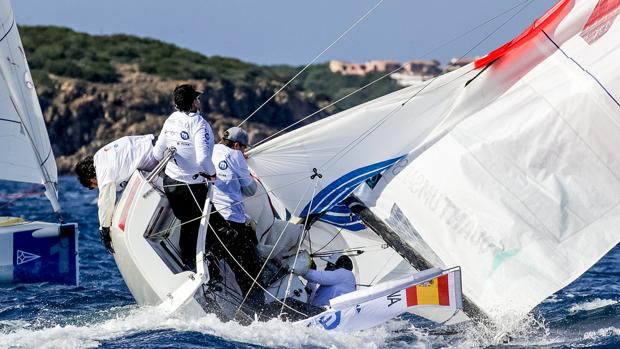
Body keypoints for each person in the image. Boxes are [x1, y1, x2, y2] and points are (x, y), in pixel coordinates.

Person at [152, 84, 216, 269]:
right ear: (192, 102)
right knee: (199, 227)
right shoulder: (199, 123)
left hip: (170, 183)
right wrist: (213, 175)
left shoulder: (171, 119)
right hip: (191, 187)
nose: (198, 101)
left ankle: (188, 262)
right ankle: (196, 265)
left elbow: (157, 153)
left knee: (186, 223)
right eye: (197, 98)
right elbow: (203, 157)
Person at [209, 126, 264, 309]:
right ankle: (257, 309)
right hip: (232, 221)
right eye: (243, 148)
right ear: (236, 145)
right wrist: (245, 167)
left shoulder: (211, 149)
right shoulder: (236, 156)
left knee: (216, 255)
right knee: (250, 269)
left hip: (211, 216)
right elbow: (250, 189)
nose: (244, 151)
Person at [75, 135, 158, 252]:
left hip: (157, 156)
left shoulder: (103, 171)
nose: (98, 187)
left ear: (92, 180)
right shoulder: (100, 156)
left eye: (94, 187)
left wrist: (104, 231)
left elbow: (105, 202)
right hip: (155, 143)